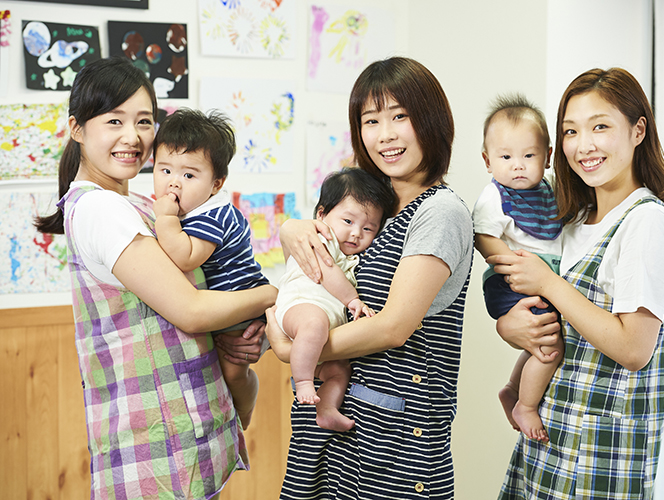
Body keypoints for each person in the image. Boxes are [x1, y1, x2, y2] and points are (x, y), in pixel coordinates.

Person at [228, 56, 474, 499]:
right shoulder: (371, 206)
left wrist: (289, 347)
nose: (386, 135)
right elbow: (318, 266)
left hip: (398, 436)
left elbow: (393, 327)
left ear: (431, 120)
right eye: (371, 120)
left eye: (400, 116)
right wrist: (291, 230)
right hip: (340, 428)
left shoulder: (440, 212)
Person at [34, 57, 277, 500]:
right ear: (76, 128)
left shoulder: (143, 203)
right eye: (114, 121)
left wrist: (230, 338)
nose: (133, 137)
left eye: (144, 121)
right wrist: (272, 294)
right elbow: (189, 310)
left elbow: (181, 306)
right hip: (156, 447)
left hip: (185, 434)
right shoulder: (100, 209)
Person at [491, 68, 664, 499]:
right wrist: (510, 327)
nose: (584, 145)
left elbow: (634, 349)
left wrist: (551, 284)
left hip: (600, 456)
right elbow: (563, 325)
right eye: (571, 131)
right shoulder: (574, 221)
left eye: (600, 126)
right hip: (550, 437)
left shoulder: (645, 221)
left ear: (637, 131)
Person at [151, 108, 274, 430]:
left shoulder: (213, 215)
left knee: (233, 369)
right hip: (218, 307)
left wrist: (164, 219)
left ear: (216, 184)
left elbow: (186, 257)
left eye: (189, 175)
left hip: (240, 303)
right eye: (164, 170)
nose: (173, 183)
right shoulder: (188, 215)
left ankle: (244, 415)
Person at [274, 167, 396, 432]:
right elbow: (327, 272)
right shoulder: (320, 239)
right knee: (314, 324)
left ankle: (327, 409)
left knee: (340, 369)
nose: (356, 234)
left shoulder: (352, 256)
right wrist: (352, 299)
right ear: (322, 215)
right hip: (300, 306)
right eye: (348, 222)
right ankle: (304, 381)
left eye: (368, 228)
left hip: (323, 321)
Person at [472, 93, 564, 442]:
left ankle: (512, 388)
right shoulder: (495, 196)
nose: (518, 165)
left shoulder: (550, 188)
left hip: (536, 278)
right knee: (549, 344)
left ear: (548, 157)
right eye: (506, 157)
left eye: (529, 156)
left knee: (537, 341)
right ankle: (525, 405)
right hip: (510, 282)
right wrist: (517, 269)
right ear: (487, 160)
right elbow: (484, 237)